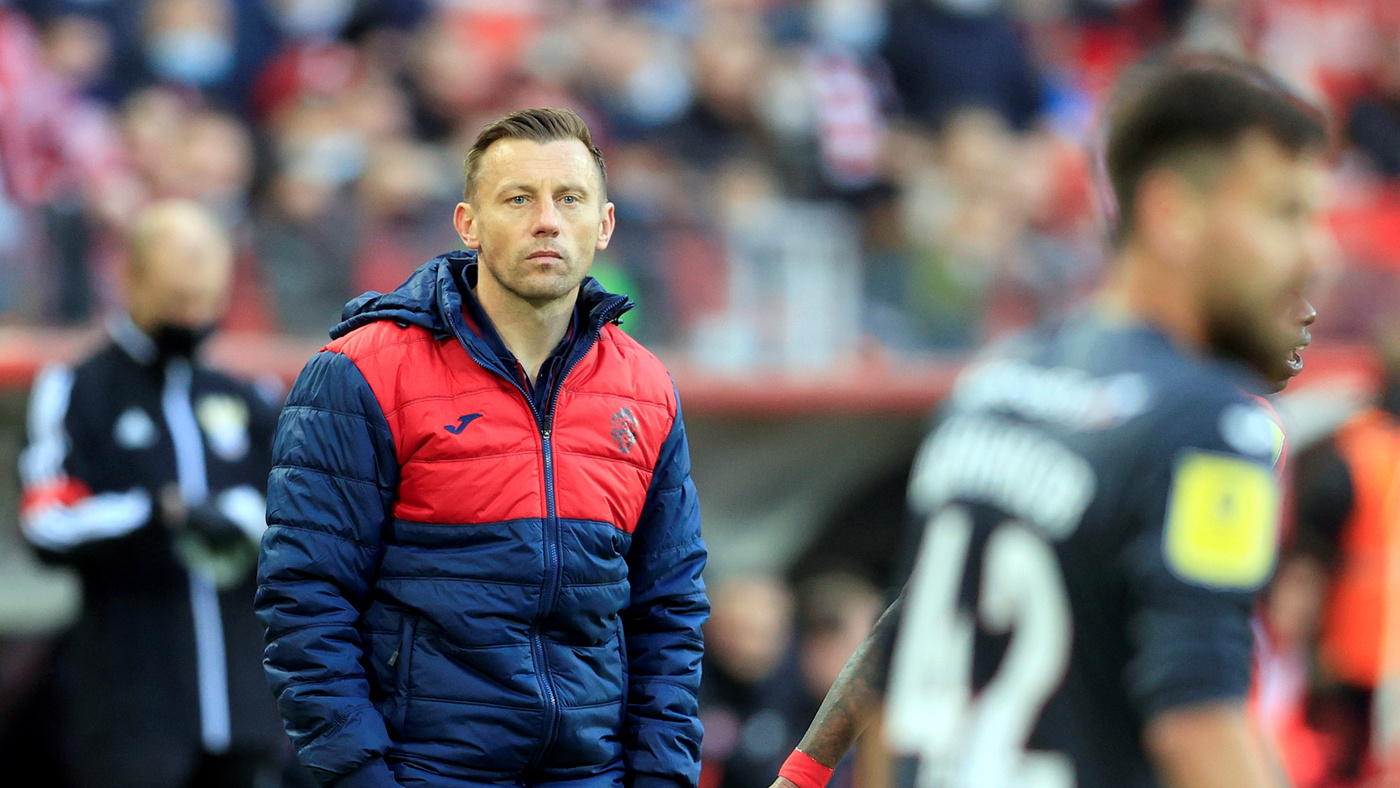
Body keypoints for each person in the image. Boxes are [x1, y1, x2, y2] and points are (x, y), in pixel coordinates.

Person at [769, 58, 1329, 788]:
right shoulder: (1216, 427)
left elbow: (905, 652)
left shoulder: (993, 388)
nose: (1314, 256)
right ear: (1174, 214)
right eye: (1283, 216)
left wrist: (801, 776)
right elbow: (1199, 724)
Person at [256, 107, 709, 788]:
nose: (547, 220)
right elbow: (306, 597)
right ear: (468, 223)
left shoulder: (645, 389)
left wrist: (662, 777)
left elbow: (669, 608)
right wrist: (360, 777)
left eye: (570, 199)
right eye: (518, 198)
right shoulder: (363, 374)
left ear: (605, 224)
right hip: (423, 773)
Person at [17, 200, 291, 788]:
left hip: (249, 711)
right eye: (178, 297)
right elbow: (46, 521)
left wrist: (240, 518)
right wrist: (159, 514)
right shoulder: (78, 389)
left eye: (207, 300)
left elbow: (301, 522)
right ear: (133, 279)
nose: (194, 314)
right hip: (130, 712)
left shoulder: (250, 397)